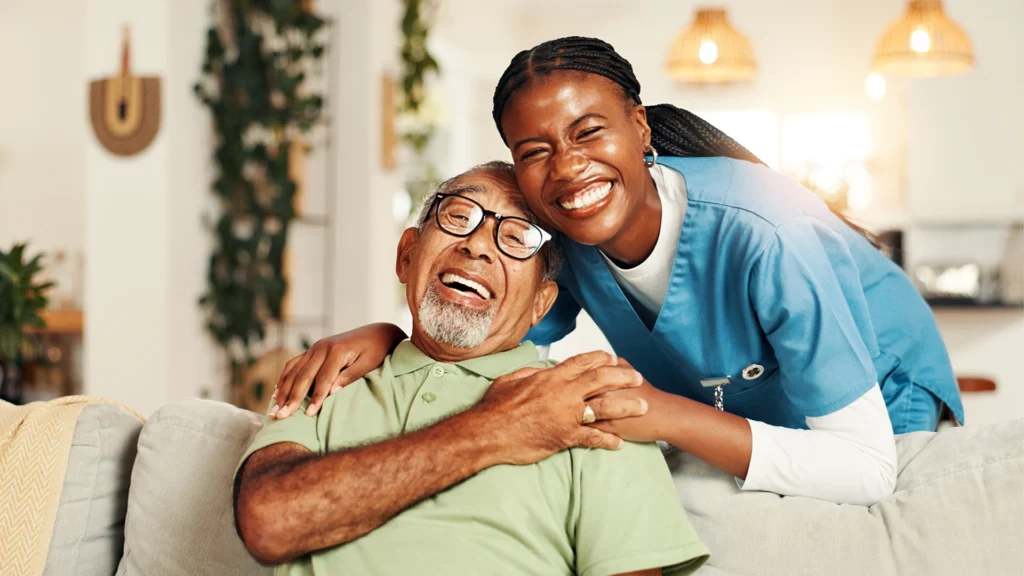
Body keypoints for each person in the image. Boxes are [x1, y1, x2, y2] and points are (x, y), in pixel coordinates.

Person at [272, 37, 963, 506]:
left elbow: (866, 468)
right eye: (535, 150)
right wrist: (389, 335)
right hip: (749, 411)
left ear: (639, 127)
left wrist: (663, 413)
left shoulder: (772, 235)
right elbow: (497, 331)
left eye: (589, 132)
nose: (568, 169)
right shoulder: (565, 242)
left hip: (882, 398)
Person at [234, 162, 710, 576]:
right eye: (459, 217)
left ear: (541, 305)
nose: (478, 247)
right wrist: (497, 428)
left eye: (518, 237)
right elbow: (269, 523)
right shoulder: (327, 380)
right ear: (406, 256)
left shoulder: (593, 405)